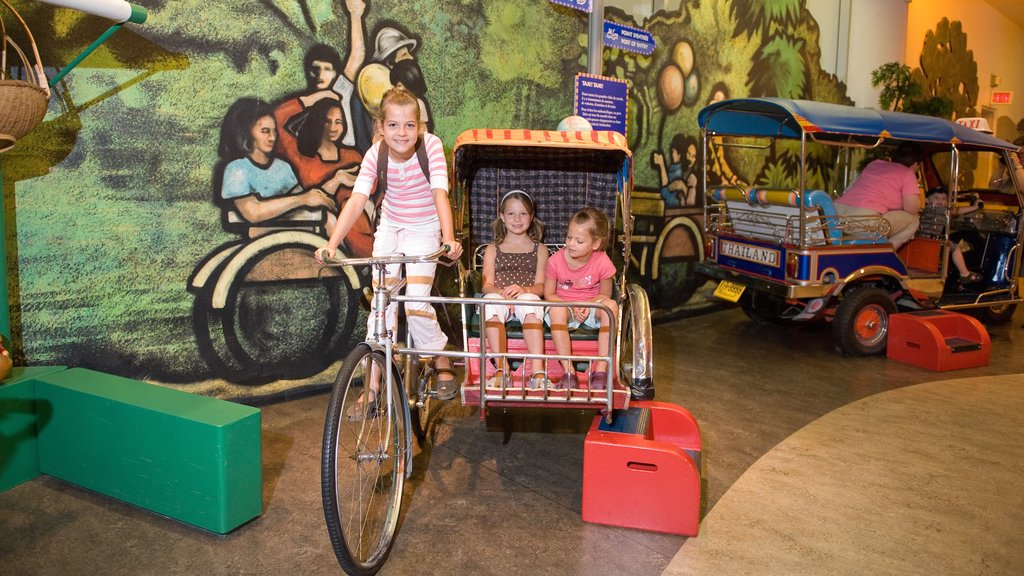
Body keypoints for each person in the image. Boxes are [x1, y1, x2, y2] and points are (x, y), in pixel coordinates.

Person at [315, 87, 463, 402]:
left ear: (420, 127)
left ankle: (441, 360)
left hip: (424, 228)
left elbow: (440, 194)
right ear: (381, 127)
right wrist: (332, 244)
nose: (402, 132)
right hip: (391, 228)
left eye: (410, 125)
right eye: (393, 125)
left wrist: (448, 239)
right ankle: (372, 386)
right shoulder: (376, 153)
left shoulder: (432, 147)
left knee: (415, 303)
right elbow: (357, 201)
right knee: (382, 303)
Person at [218, 98, 337, 235]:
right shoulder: (237, 170)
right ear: (247, 133)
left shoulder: (282, 167)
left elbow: (309, 199)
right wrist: (302, 199)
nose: (272, 137)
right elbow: (253, 213)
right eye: (265, 131)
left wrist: (336, 180)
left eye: (274, 131)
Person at [544, 207, 617, 391]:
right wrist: (572, 305)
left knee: (611, 306)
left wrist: (587, 305)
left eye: (579, 240)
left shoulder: (602, 261)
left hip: (590, 305)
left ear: (595, 244)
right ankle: (569, 371)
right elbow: (549, 294)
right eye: (569, 237)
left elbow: (605, 294)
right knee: (556, 309)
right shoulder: (555, 261)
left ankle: (601, 370)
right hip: (563, 306)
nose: (571, 244)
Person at [481, 190, 548, 389]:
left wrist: (523, 290)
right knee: (490, 300)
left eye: (523, 214)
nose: (517, 219)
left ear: (532, 216)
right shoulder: (493, 249)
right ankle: (502, 369)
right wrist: (503, 294)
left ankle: (537, 371)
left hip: (526, 297)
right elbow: (486, 284)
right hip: (500, 297)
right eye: (511, 214)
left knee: (530, 300)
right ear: (502, 217)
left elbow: (541, 287)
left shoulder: (540, 249)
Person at [294, 99, 371, 255]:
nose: (333, 128)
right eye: (327, 121)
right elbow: (279, 118)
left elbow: (372, 187)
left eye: (338, 122)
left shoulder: (353, 157)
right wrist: (337, 179)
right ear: (317, 122)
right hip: (326, 227)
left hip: (363, 222)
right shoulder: (306, 162)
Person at [835, 142, 923, 250]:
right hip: (864, 222)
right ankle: (886, 254)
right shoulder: (907, 172)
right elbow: (912, 208)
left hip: (837, 216)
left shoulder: (875, 164)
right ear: (916, 163)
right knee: (913, 221)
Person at [918, 187, 982, 283]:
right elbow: (956, 211)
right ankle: (965, 274)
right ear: (927, 200)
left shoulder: (926, 210)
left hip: (923, 238)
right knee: (955, 248)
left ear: (947, 202)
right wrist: (975, 207)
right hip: (933, 240)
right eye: (936, 198)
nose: (940, 201)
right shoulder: (939, 210)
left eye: (943, 199)